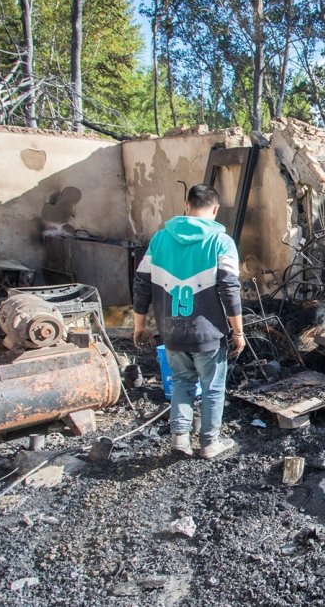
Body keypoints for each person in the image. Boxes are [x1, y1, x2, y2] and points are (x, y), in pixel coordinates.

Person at [132, 184, 246, 458]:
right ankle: (209, 443)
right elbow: (229, 288)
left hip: (171, 331)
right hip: (207, 334)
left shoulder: (160, 239)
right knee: (212, 388)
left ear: (186, 205)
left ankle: (180, 440)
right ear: (215, 210)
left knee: (182, 383)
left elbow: (142, 284)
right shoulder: (221, 242)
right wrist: (238, 332)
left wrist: (139, 324)